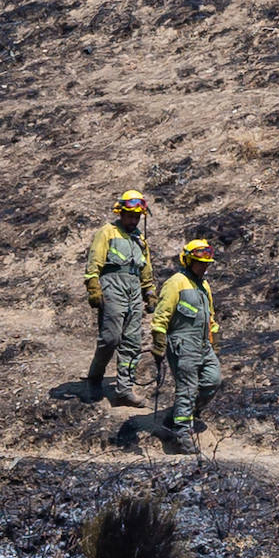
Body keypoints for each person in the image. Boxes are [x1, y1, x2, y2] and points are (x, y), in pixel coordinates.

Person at [83, 190, 157, 406]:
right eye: (130, 216)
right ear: (121, 213)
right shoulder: (107, 232)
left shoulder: (140, 240)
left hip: (133, 290)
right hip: (112, 287)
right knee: (110, 338)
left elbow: (146, 269)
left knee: (132, 342)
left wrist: (150, 292)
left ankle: (124, 389)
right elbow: (94, 261)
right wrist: (93, 287)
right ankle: (94, 378)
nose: (133, 220)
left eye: (137, 217)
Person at [150, 239, 221, 453]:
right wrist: (159, 341)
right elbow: (161, 315)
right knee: (187, 388)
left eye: (207, 263)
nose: (204, 266)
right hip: (183, 344)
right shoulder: (176, 283)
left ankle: (182, 413)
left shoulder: (204, 286)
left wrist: (214, 340)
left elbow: (211, 317)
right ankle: (181, 433)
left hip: (202, 344)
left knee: (213, 380)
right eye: (200, 262)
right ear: (188, 261)